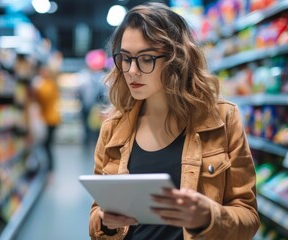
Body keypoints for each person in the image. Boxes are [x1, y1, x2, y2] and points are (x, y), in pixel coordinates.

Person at [88, 2, 259, 240]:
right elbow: (97, 215)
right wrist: (105, 221)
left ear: (177, 59)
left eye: (146, 59)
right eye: (125, 58)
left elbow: (248, 218)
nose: (132, 70)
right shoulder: (113, 127)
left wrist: (207, 217)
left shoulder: (222, 120)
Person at [31, 54, 62, 172]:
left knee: (47, 145)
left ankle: (50, 169)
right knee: (47, 145)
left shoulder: (48, 84)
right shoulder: (50, 83)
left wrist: (36, 87)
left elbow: (43, 96)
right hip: (50, 118)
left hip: (50, 119)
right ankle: (48, 168)